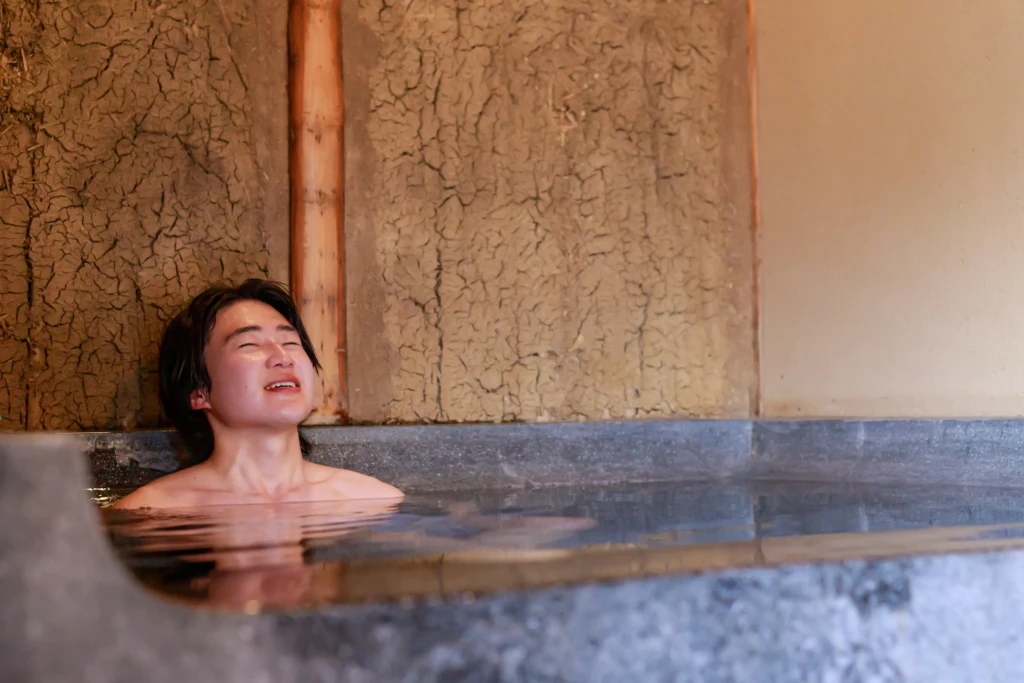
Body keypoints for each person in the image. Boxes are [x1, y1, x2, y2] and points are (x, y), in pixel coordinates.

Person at [113, 279, 404, 509]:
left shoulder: (375, 502)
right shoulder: (150, 513)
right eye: (249, 344)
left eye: (290, 342)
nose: (283, 357)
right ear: (198, 391)